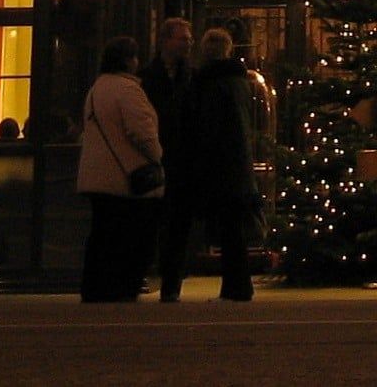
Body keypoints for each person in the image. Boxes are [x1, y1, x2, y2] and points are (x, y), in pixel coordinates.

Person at [163, 27, 257, 303]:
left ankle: (233, 287)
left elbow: (207, 127)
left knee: (215, 226)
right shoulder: (240, 81)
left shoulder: (208, 83)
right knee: (233, 227)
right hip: (237, 162)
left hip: (216, 165)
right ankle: (238, 285)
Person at [77, 35, 165, 302]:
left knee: (102, 234)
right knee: (131, 236)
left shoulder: (96, 89)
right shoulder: (128, 90)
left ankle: (95, 288)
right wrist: (157, 156)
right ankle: (122, 287)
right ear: (128, 60)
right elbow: (141, 132)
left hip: (96, 176)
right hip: (125, 177)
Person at [142, 17, 196, 293]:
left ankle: (172, 281)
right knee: (153, 220)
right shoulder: (146, 78)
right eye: (183, 38)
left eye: (189, 39)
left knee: (179, 222)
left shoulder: (192, 77)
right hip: (154, 157)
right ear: (165, 41)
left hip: (184, 160)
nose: (189, 43)